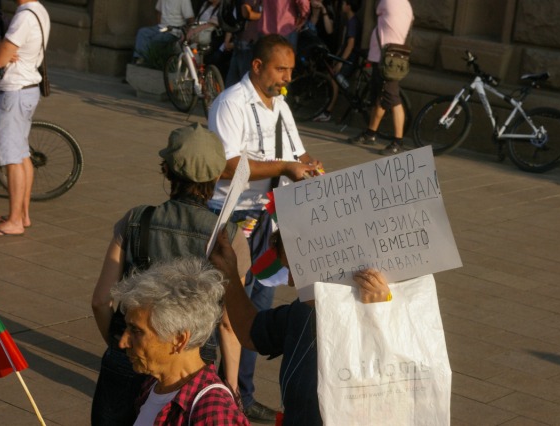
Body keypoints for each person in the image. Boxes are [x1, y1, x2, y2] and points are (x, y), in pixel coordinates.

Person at [91, 123, 251, 425]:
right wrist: (230, 385)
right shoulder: (229, 236)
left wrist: (121, 345)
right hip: (189, 363)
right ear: (217, 177)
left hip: (126, 363)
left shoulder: (136, 219)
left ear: (166, 170)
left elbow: (100, 300)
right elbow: (230, 325)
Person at [208, 33, 323, 423]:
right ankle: (223, 391)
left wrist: (311, 167)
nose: (286, 77)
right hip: (235, 215)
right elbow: (226, 165)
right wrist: (286, 168)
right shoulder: (231, 103)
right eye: (280, 69)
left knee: (258, 308)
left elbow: (296, 151)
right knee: (225, 309)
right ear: (257, 66)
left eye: (291, 70)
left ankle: (245, 391)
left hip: (270, 217)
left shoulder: (281, 106)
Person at [210, 228, 392, 425]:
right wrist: (229, 272)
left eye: (292, 270)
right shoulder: (302, 311)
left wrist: (380, 315)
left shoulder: (379, 311)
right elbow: (251, 332)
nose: (288, 282)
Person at [112, 257, 249, 425]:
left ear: (179, 339)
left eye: (136, 331)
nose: (123, 342)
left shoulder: (214, 413)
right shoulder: (154, 385)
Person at [0, 0, 49, 238]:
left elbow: (1, 59)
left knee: (12, 157)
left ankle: (14, 220)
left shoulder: (24, 17)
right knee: (22, 153)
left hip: (14, 91)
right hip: (28, 89)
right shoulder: (40, 10)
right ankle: (23, 214)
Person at [347, 0, 413, 155]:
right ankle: (370, 134)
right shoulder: (406, 6)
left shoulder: (388, 2)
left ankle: (398, 142)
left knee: (393, 99)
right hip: (386, 58)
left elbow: (376, 10)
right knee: (380, 99)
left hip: (386, 61)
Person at [313, 0, 361, 123]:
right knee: (333, 78)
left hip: (349, 60)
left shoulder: (352, 22)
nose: (343, 5)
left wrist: (341, 61)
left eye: (345, 3)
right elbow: (344, 44)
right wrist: (337, 57)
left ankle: (328, 111)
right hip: (345, 57)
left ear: (349, 6)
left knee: (335, 81)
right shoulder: (350, 21)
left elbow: (350, 44)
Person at [132, 0, 194, 65]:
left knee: (155, 39)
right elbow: (158, 11)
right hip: (162, 27)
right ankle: (139, 59)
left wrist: (188, 32)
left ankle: (148, 62)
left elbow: (190, 18)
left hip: (174, 31)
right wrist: (160, 24)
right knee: (142, 32)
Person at [225, 0, 262, 87]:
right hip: (247, 41)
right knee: (245, 82)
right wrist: (266, 15)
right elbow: (246, 13)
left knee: (234, 82)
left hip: (244, 40)